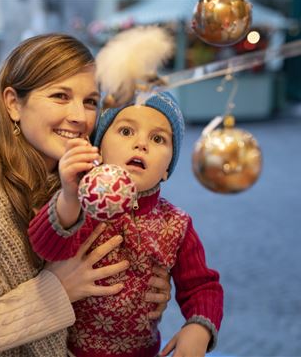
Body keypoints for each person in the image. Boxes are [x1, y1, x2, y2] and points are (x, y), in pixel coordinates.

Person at [0, 34, 173, 357]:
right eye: (60, 96)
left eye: (89, 101)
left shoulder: (80, 178)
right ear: (13, 103)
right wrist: (55, 290)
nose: (79, 117)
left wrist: (144, 281)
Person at [29, 91, 224, 357]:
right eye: (126, 131)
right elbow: (46, 248)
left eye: (158, 139)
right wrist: (68, 198)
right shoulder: (80, 204)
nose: (141, 144)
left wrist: (199, 328)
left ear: (168, 167)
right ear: (98, 147)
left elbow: (202, 285)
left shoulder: (176, 224)